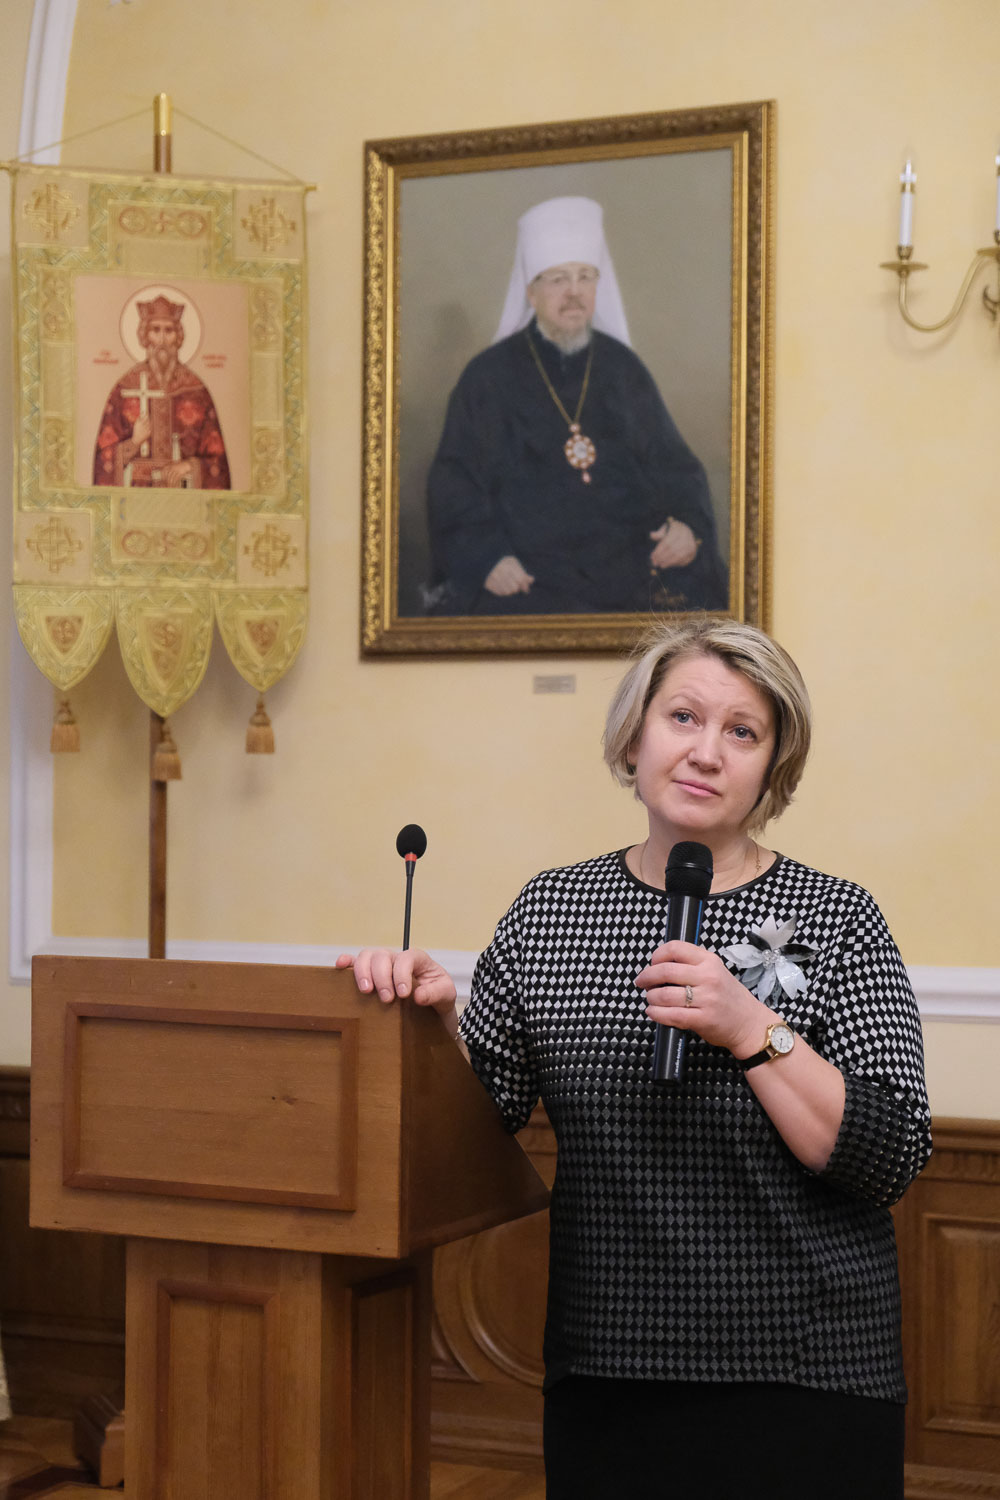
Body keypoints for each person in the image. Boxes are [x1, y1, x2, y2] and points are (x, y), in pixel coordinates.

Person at [338, 618, 931, 1499]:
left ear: (774, 766)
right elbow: (472, 1135)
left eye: (743, 732)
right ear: (633, 737)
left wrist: (752, 1029)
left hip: (808, 1369)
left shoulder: (837, 917)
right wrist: (436, 1024)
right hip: (609, 1366)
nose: (706, 752)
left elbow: (889, 1156)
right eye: (682, 717)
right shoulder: (551, 913)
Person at [424, 196, 728, 616]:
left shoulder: (624, 369)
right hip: (531, 581)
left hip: (631, 573)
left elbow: (675, 466)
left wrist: (687, 527)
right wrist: (487, 557)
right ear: (531, 292)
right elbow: (454, 484)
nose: (574, 292)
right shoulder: (487, 378)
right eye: (558, 279)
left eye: (585, 277)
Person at [93, 293, 231, 489]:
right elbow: (103, 459)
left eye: (169, 331)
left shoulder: (196, 389)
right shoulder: (125, 387)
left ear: (178, 336)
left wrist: (189, 466)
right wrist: (134, 442)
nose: (163, 339)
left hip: (183, 493)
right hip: (138, 493)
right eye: (155, 330)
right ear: (145, 336)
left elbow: (217, 460)